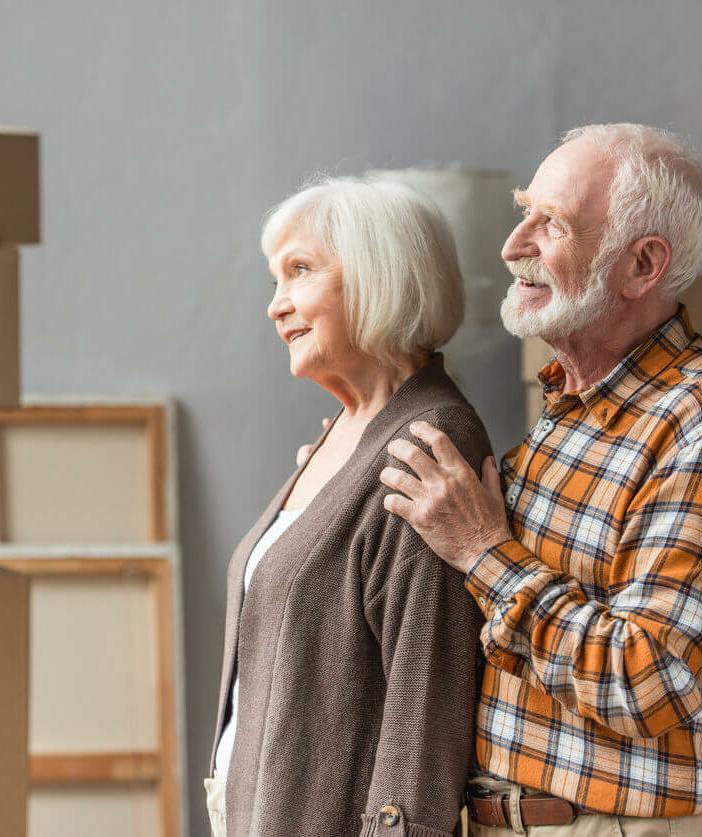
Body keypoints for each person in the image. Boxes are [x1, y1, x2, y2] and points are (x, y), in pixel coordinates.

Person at [380, 124, 702, 835]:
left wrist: (484, 550)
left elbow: (642, 680)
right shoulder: (569, 411)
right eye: (522, 210)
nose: (512, 246)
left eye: (552, 223)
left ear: (641, 266)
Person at [207, 175, 491, 836]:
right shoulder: (347, 430)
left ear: (378, 277)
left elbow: (426, 699)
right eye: (274, 281)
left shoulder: (427, 443)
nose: (277, 306)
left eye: (300, 271)